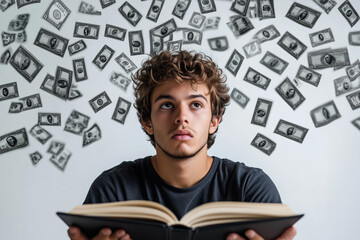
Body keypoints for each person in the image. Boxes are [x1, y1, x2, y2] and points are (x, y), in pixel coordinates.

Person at [67, 50, 297, 240]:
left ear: (214, 121)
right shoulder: (113, 189)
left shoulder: (251, 188)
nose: (181, 118)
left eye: (196, 104)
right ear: (147, 122)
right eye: (167, 105)